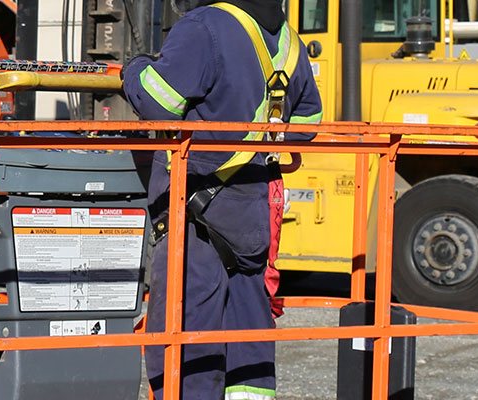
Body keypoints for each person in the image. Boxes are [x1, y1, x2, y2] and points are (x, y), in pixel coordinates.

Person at [118, 0, 323, 398]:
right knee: (248, 321)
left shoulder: (204, 27)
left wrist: (135, 69)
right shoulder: (288, 41)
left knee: (185, 330)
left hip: (197, 211)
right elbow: (306, 123)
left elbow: (157, 101)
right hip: (253, 209)